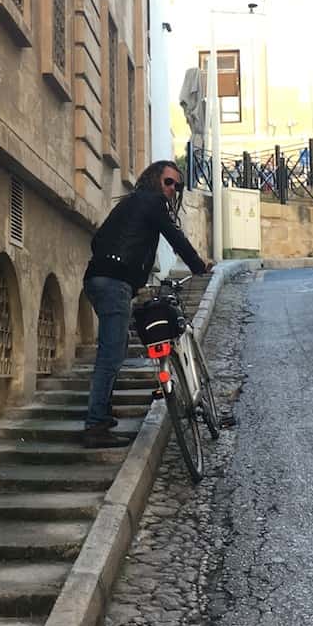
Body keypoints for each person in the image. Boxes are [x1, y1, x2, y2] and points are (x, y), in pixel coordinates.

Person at [81, 159, 213, 448]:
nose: (172, 190)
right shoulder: (152, 202)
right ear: (155, 179)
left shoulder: (129, 204)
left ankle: (102, 415)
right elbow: (175, 238)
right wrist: (198, 265)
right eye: (169, 182)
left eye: (177, 186)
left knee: (112, 350)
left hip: (99, 280)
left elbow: (99, 239)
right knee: (111, 355)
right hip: (114, 283)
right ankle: (94, 426)